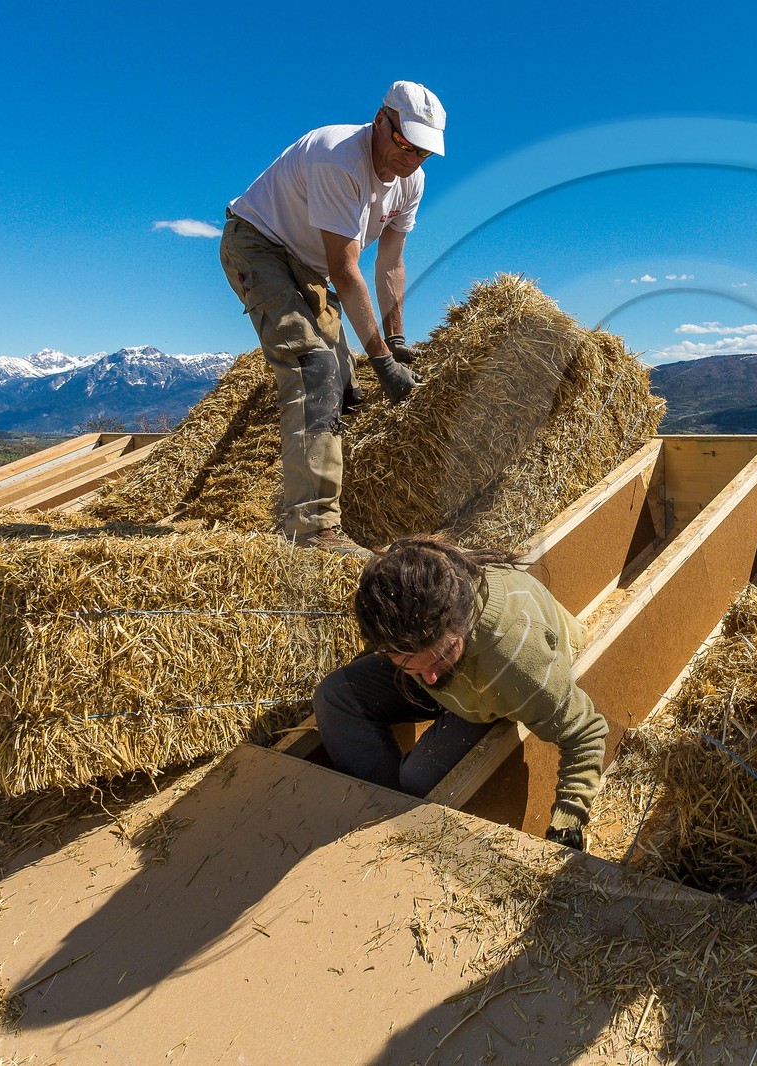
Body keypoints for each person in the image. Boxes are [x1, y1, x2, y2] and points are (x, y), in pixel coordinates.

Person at [220, 81, 441, 557]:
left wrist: (396, 338)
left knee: (345, 385)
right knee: (314, 368)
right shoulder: (338, 157)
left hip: (312, 267)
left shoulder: (412, 181)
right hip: (258, 245)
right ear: (380, 120)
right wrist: (381, 361)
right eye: (404, 144)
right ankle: (313, 529)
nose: (411, 159)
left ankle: (339, 499)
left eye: (423, 152)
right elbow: (346, 270)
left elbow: (391, 262)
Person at [313, 535, 609, 849]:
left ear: (462, 623)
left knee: (418, 780)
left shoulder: (515, 659)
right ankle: (386, 818)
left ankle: (406, 823)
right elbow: (412, 659)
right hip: (458, 675)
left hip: (491, 685)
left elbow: (584, 733)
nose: (430, 677)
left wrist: (567, 824)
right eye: (411, 664)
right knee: (335, 697)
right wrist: (408, 666)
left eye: (441, 656)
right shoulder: (400, 596)